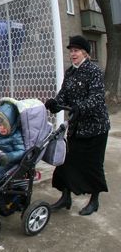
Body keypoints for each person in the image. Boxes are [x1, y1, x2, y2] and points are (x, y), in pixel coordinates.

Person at [45, 35, 110, 216]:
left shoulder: (94, 71)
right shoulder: (70, 72)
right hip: (77, 127)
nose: (73, 54)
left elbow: (96, 98)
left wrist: (79, 106)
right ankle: (66, 198)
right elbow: (64, 94)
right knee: (67, 162)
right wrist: (55, 103)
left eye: (76, 50)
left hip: (96, 128)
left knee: (93, 165)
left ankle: (94, 201)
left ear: (85, 53)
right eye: (71, 51)